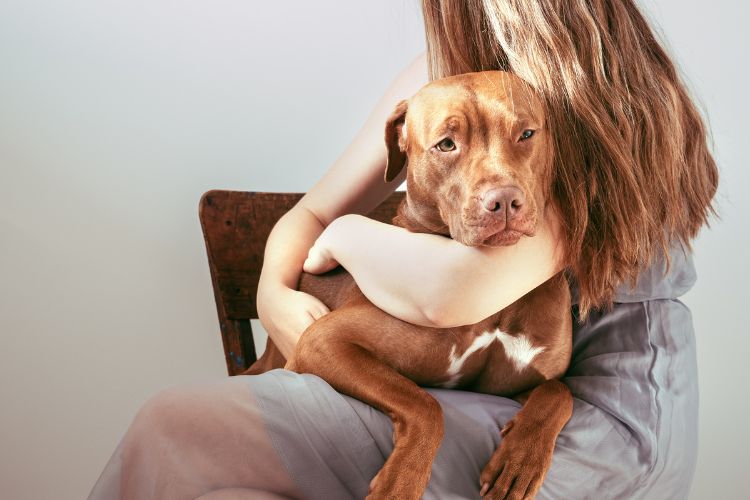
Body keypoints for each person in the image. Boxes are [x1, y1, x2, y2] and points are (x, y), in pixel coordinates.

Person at [89, 0, 719, 498]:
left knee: (171, 424)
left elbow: (449, 294)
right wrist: (273, 294)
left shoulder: (590, 117)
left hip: (606, 426)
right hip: (473, 394)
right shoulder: (443, 80)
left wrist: (346, 235)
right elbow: (311, 211)